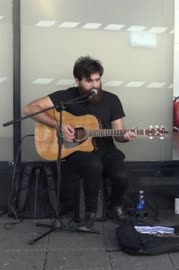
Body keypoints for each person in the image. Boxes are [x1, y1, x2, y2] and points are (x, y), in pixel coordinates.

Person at [23, 56, 136, 231]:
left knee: (121, 175)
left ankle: (116, 206)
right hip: (78, 151)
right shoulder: (67, 96)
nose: (95, 85)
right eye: (89, 81)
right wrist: (59, 125)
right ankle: (90, 213)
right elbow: (30, 108)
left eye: (98, 80)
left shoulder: (112, 100)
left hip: (107, 149)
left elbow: (119, 133)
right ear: (77, 80)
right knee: (93, 165)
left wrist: (125, 136)